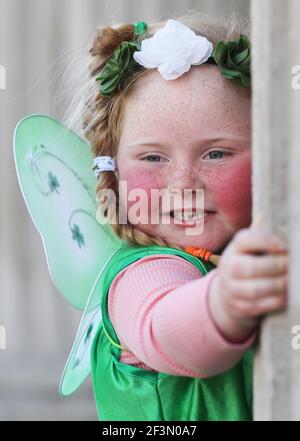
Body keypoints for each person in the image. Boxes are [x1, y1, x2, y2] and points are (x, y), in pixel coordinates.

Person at [74, 13, 288, 421]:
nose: (182, 183)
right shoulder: (142, 271)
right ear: (113, 172)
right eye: (153, 157)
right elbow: (166, 327)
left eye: (216, 153)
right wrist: (226, 300)